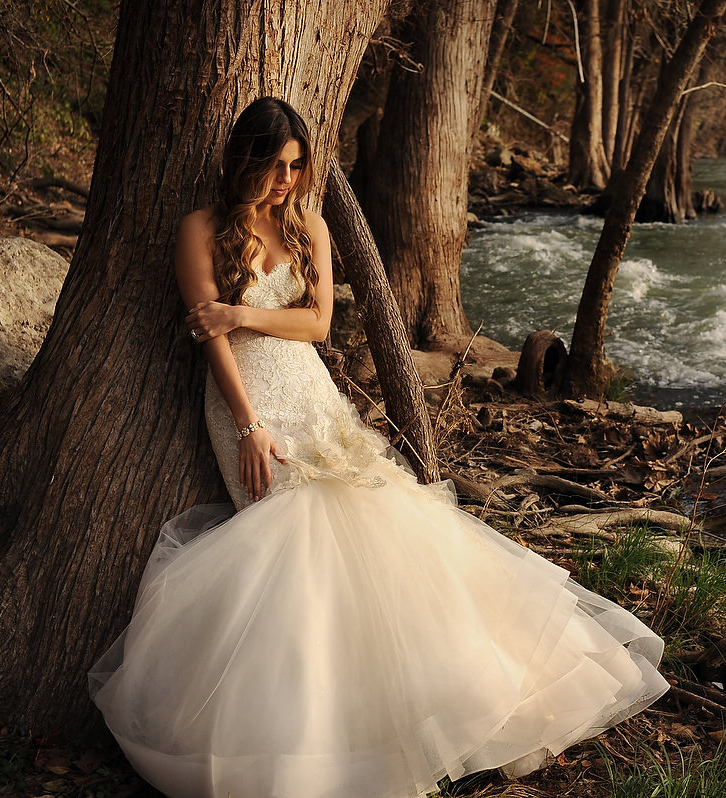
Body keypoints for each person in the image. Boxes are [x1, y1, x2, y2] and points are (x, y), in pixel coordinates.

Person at [88, 97, 669, 798]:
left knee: (383, 525)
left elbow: (318, 324)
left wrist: (243, 310)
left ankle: (432, 702)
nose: (286, 180)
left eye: (296, 166)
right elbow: (210, 337)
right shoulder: (201, 230)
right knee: (289, 549)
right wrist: (247, 424)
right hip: (249, 404)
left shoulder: (308, 224)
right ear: (244, 161)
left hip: (310, 394)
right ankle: (309, 736)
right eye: (274, 166)